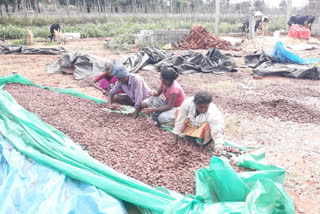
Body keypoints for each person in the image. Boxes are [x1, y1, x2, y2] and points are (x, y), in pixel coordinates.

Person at [172, 90, 225, 155]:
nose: (203, 110)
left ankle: (203, 141)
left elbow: (217, 130)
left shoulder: (213, 112)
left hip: (201, 129)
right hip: (190, 125)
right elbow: (180, 120)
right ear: (195, 104)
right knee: (178, 110)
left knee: (209, 126)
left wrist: (218, 146)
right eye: (200, 107)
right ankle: (189, 135)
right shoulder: (187, 103)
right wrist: (175, 135)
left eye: (206, 107)